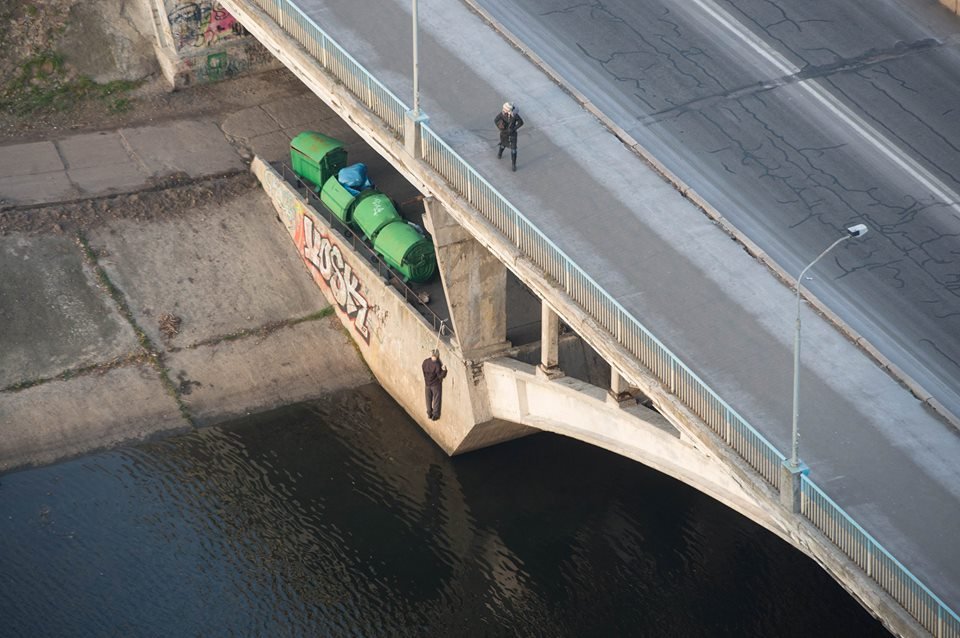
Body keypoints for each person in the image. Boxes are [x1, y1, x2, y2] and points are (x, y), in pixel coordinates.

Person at [495, 102, 524, 171]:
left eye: (505, 109)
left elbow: (521, 122)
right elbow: (496, 120)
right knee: (503, 144)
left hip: (512, 134)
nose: (503, 110)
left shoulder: (514, 115)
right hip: (504, 133)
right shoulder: (502, 114)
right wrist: (500, 126)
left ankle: (513, 165)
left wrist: (514, 129)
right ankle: (500, 153)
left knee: (514, 149)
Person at [422, 349, 447, 421]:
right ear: (437, 355)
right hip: (435, 385)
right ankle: (435, 415)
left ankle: (429, 413)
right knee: (436, 399)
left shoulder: (425, 362)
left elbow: (423, 370)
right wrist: (444, 370)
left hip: (427, 384)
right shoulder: (437, 364)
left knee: (428, 399)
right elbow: (440, 376)